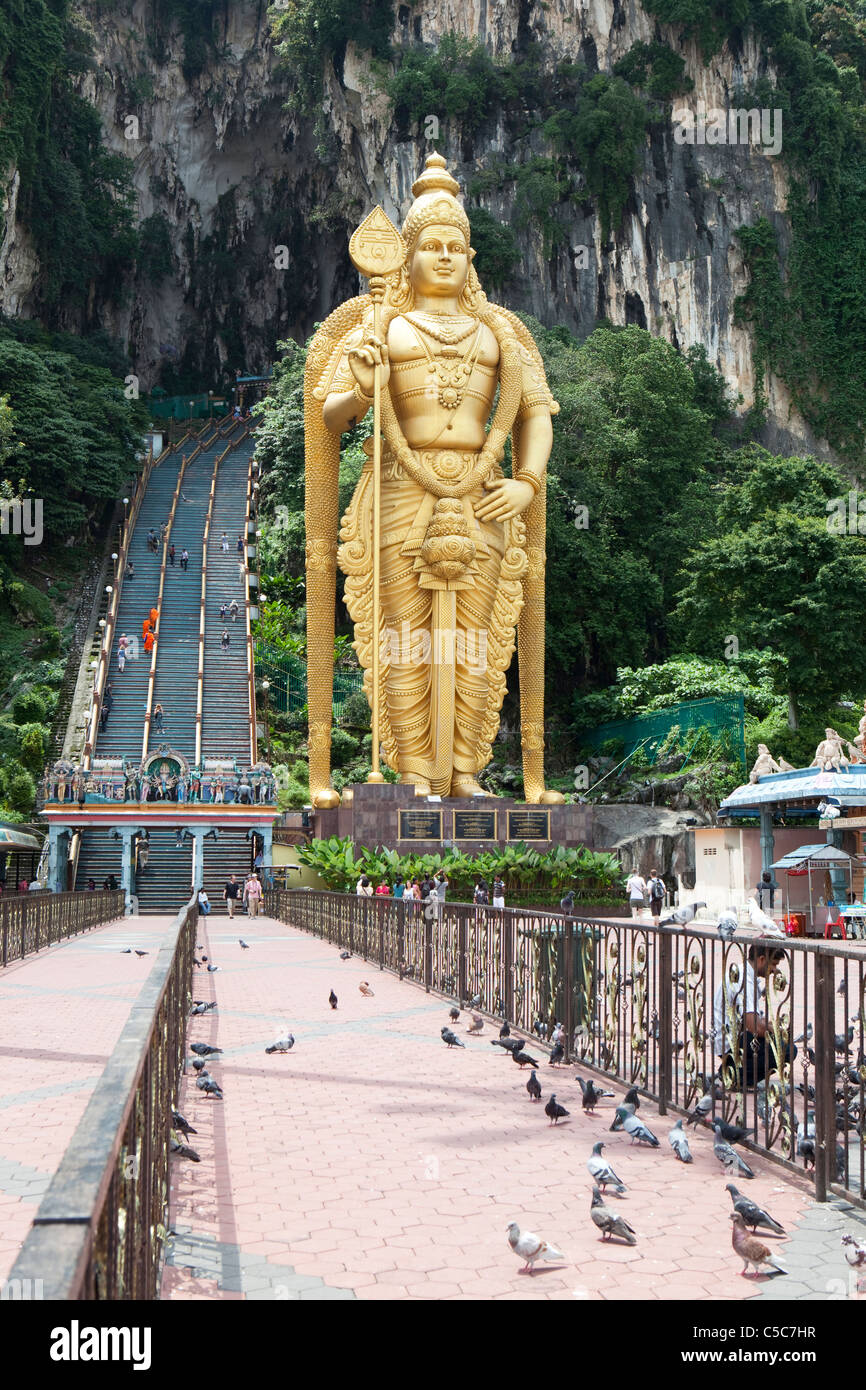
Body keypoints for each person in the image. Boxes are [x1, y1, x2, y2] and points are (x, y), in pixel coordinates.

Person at [713, 943, 792, 1086]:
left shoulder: (744, 972)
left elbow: (751, 1020)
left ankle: (733, 1071)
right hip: (730, 1042)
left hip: (731, 1035)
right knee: (787, 1049)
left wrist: (770, 1026)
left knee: (778, 1039)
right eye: (773, 964)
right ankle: (735, 1076)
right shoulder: (745, 979)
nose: (774, 970)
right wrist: (777, 1031)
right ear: (761, 959)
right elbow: (754, 1026)